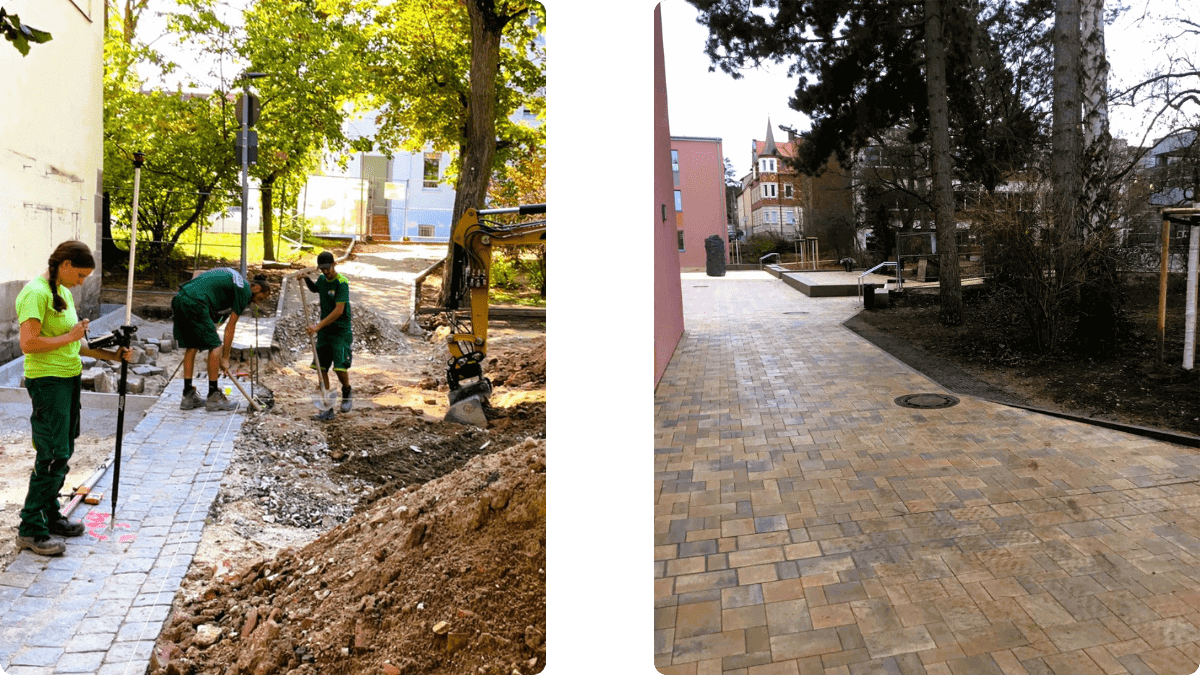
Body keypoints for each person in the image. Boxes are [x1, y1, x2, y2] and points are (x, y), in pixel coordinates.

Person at [14, 241, 131, 556]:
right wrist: (71, 336)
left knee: (63, 447)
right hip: (48, 381)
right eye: (80, 275)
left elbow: (75, 344)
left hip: (69, 377)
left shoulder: (62, 293)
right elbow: (29, 343)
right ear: (64, 264)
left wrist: (114, 355)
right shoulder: (35, 294)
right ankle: (31, 529)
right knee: (52, 452)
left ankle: (50, 515)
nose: (81, 283)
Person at [172, 267, 271, 412]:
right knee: (216, 346)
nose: (257, 303)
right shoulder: (244, 291)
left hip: (180, 298)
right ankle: (213, 397)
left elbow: (199, 275)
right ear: (256, 288)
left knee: (191, 346)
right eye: (260, 298)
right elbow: (230, 327)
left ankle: (188, 396)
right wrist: (225, 357)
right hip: (196, 302)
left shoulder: (237, 280)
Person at [304, 251, 353, 421]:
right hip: (325, 331)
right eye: (322, 269)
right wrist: (305, 278)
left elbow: (338, 311)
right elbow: (315, 289)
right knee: (321, 367)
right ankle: (327, 407)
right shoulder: (322, 280)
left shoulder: (342, 283)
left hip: (340, 330)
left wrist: (317, 326)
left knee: (339, 367)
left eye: (328, 268)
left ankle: (346, 390)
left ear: (334, 264)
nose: (325, 272)